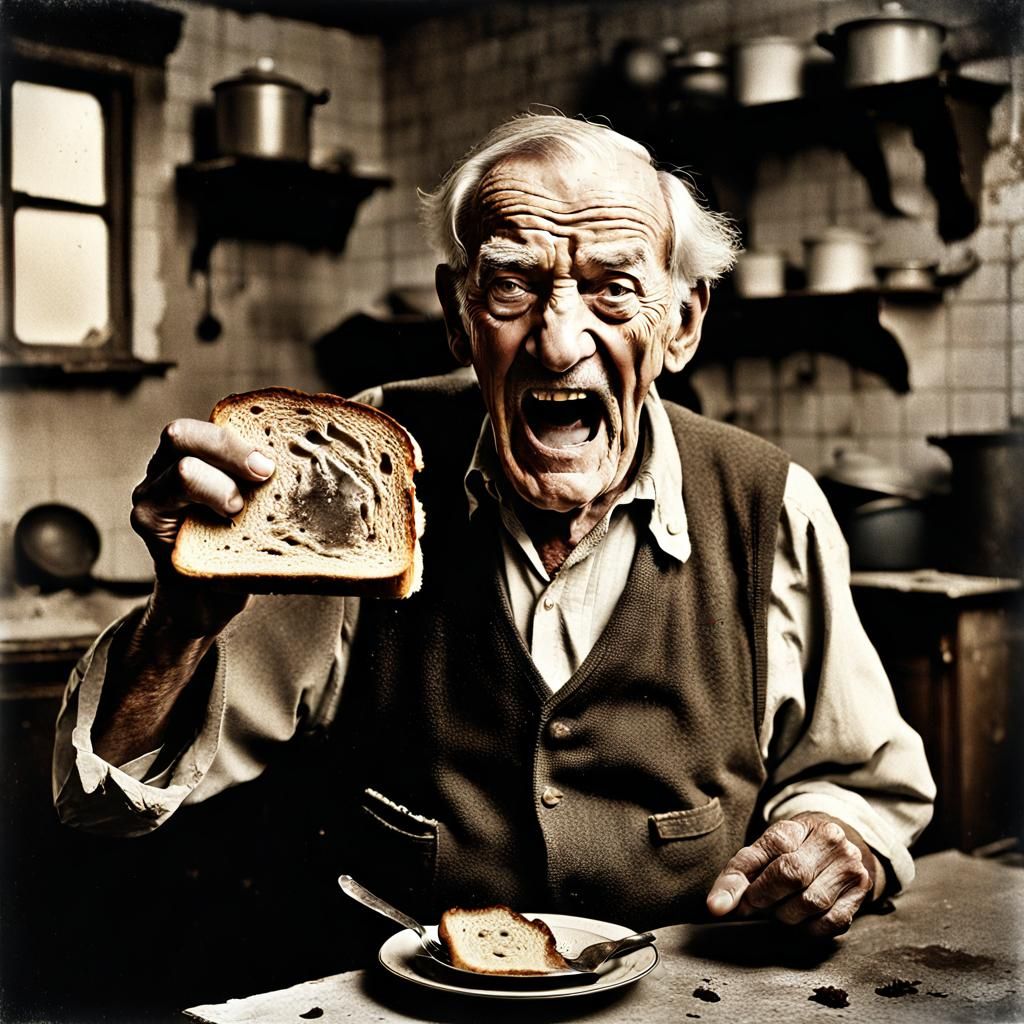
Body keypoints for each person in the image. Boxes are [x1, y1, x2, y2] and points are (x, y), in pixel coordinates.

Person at [53, 113, 934, 939]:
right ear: (458, 312)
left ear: (683, 323)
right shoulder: (362, 481)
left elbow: (857, 780)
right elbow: (100, 803)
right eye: (511, 285)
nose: (558, 343)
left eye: (613, 290)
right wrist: (180, 619)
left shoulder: (769, 503)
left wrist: (831, 836)